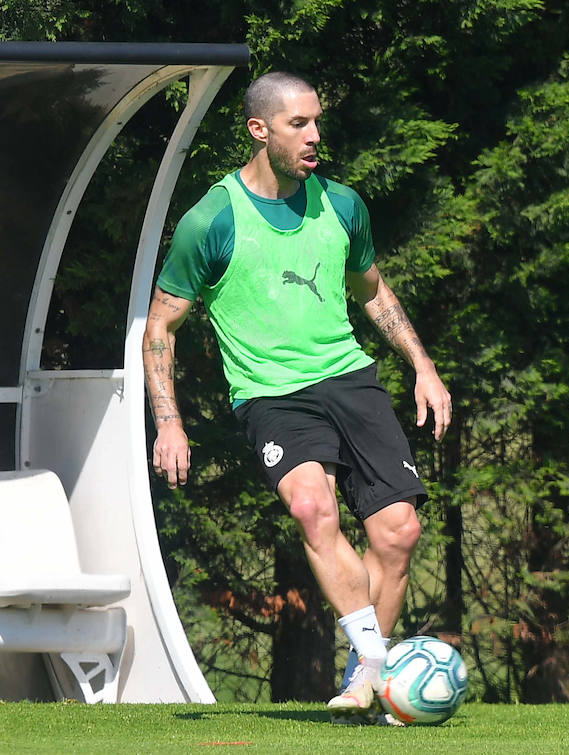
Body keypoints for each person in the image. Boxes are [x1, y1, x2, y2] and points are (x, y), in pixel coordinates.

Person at [142, 71, 451, 724]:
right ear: (259, 130)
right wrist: (169, 422)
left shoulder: (341, 205)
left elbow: (371, 289)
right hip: (271, 392)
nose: (315, 136)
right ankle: (373, 664)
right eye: (298, 125)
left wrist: (422, 365)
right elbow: (161, 326)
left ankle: (366, 679)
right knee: (313, 507)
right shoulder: (212, 219)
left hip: (349, 379)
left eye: (317, 122)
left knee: (400, 533)